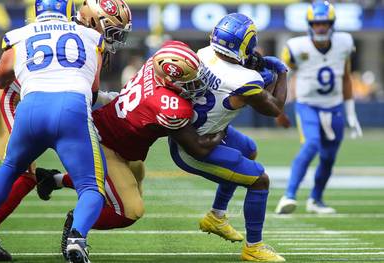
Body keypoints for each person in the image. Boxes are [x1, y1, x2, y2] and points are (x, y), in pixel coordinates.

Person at [34, 40, 227, 259]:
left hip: (117, 138)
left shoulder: (156, 64)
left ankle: (53, 180)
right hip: (105, 143)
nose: (197, 84)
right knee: (130, 211)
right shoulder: (168, 104)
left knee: (136, 172)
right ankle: (76, 223)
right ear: (169, 79)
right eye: (188, 81)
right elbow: (197, 148)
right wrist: (222, 129)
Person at [0, 1, 115, 262]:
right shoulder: (92, 37)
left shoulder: (18, 36)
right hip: (71, 108)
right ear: (69, 11)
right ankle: (77, 239)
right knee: (91, 186)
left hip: (31, 108)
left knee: (10, 168)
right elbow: (94, 86)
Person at [167, 13, 287, 262]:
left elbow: (229, 71)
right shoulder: (245, 79)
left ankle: (216, 216)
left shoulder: (202, 53)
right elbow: (274, 108)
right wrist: (282, 73)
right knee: (259, 180)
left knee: (248, 149)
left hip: (193, 129)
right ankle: (254, 248)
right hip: (194, 147)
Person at [275, 1, 362, 215]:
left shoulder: (344, 42)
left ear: (331, 24)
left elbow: (346, 78)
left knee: (329, 157)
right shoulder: (295, 47)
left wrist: (351, 113)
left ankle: (315, 199)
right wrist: (279, 109)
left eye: (324, 23)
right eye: (316, 23)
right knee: (312, 144)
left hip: (334, 107)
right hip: (308, 105)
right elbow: (282, 76)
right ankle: (289, 195)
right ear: (309, 25)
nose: (320, 27)